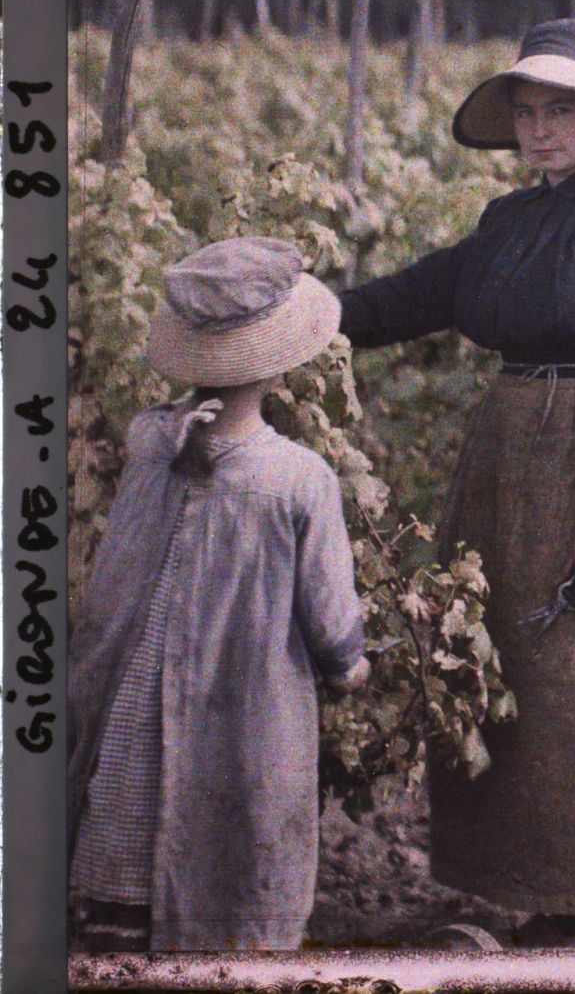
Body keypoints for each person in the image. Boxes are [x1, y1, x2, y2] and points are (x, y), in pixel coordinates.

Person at [338, 18, 575, 950]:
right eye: (528, 110)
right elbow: (415, 296)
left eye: (562, 109)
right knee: (523, 686)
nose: (541, 128)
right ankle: (557, 893)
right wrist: (311, 314)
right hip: (509, 470)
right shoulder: (510, 220)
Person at [69, 237, 369, 952]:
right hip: (243, 708)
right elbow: (329, 618)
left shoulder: (152, 447)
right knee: (234, 827)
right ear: (279, 364)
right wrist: (348, 666)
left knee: (128, 834)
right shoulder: (299, 479)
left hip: (130, 697)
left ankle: (119, 936)